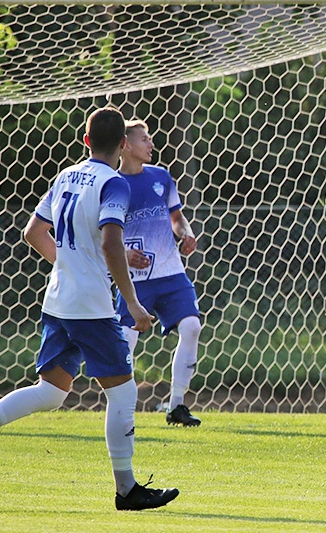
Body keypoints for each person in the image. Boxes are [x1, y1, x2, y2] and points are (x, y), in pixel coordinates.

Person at [0, 107, 179, 511]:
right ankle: (126, 489)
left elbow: (34, 232)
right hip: (90, 307)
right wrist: (134, 304)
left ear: (85, 141)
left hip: (59, 299)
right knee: (123, 393)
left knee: (51, 392)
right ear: (123, 143)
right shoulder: (115, 184)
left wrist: (69, 264)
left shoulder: (66, 174)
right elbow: (109, 243)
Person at [117, 118, 202, 427]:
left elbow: (176, 217)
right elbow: (101, 232)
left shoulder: (161, 177)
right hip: (135, 279)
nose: (151, 144)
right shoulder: (112, 184)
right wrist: (124, 255)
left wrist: (185, 233)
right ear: (125, 144)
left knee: (192, 326)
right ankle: (122, 409)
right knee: (126, 339)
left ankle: (177, 405)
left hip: (171, 273)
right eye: (144, 139)